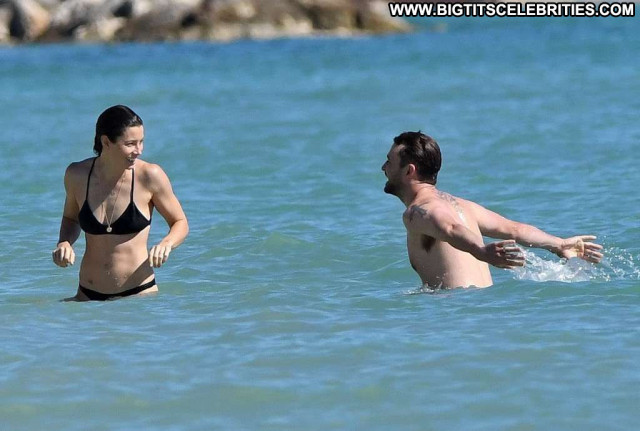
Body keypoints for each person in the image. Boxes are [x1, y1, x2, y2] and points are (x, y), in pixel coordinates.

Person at [382, 131, 603, 289]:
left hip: (457, 317)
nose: (383, 167)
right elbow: (515, 230)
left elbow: (449, 228)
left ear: (409, 171)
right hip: (484, 309)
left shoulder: (416, 212)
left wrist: (481, 251)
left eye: (389, 162)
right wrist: (559, 244)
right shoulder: (463, 206)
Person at [52, 105, 189, 300]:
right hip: (87, 297)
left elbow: (180, 222)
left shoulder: (150, 176)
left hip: (138, 296)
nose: (139, 150)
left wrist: (166, 244)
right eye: (131, 144)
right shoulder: (77, 175)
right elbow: (70, 218)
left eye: (141, 142)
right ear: (106, 142)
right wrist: (64, 243)